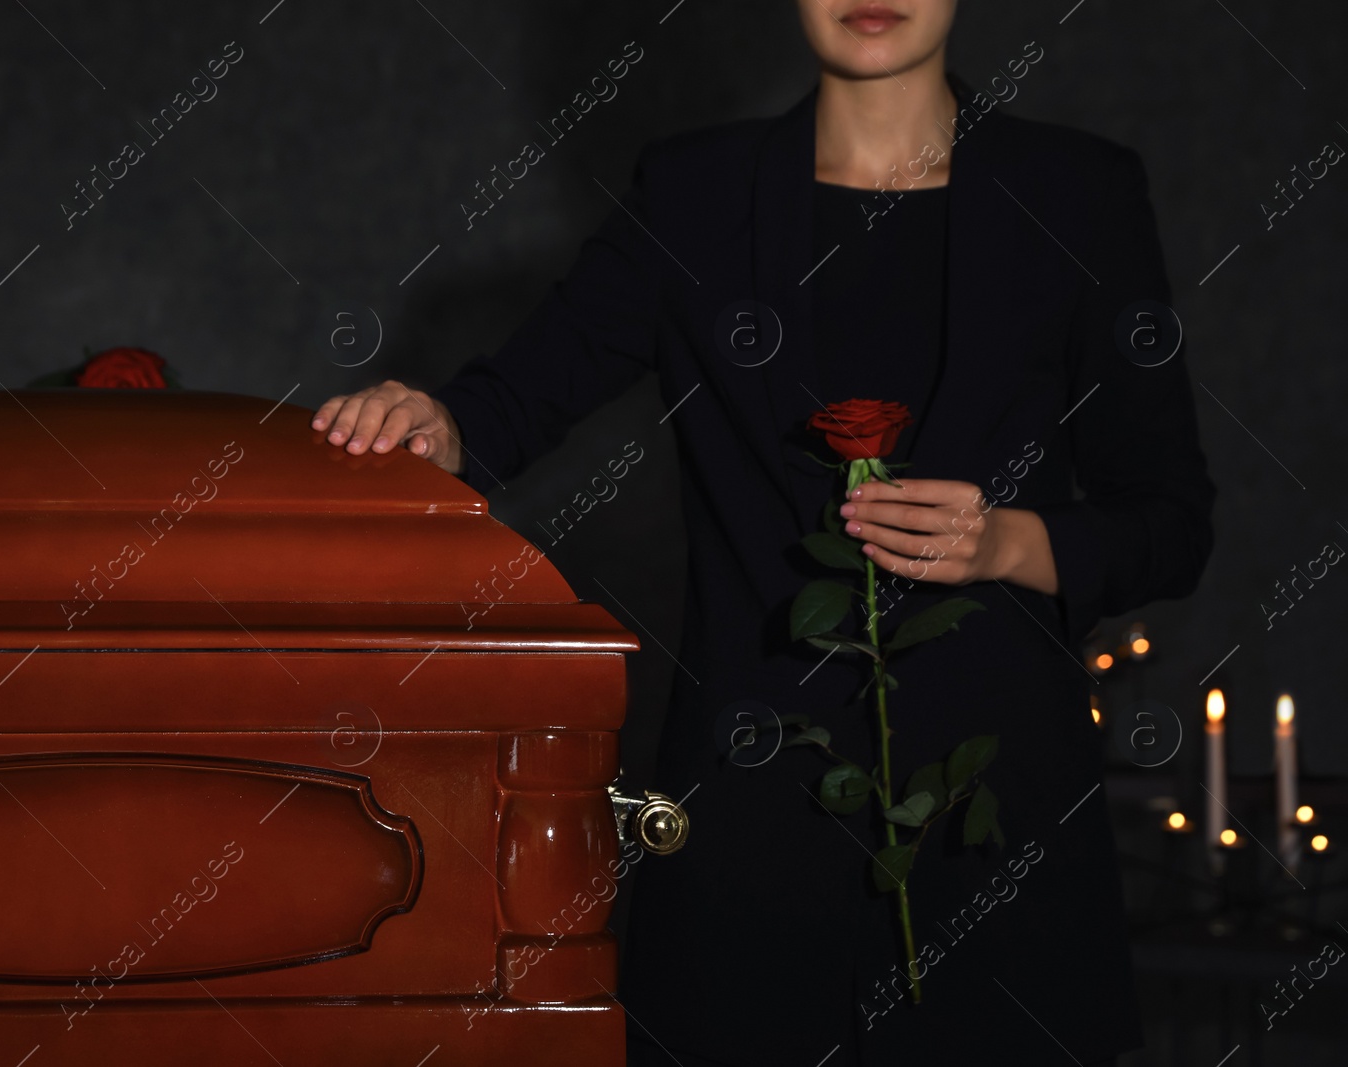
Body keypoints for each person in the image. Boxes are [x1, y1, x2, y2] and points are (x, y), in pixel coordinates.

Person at [312, 1, 1215, 1063]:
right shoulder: (694, 190)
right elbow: (507, 406)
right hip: (748, 835)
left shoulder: (1079, 192)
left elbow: (1170, 521)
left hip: (999, 831)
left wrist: (1006, 543)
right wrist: (440, 421)